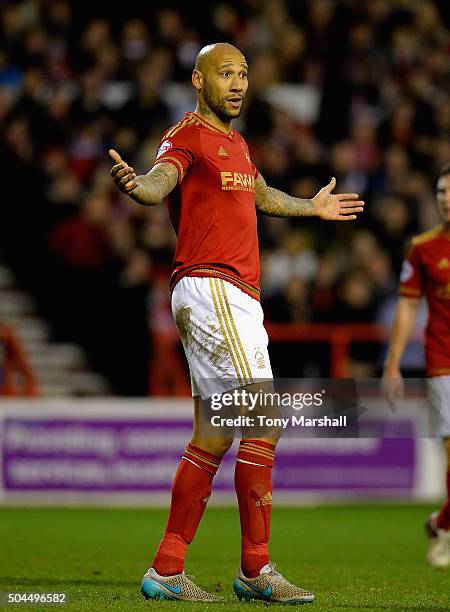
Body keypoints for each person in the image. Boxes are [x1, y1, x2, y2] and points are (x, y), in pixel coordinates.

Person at [110, 42, 364, 603]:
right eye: (227, 73)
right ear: (199, 81)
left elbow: (259, 193)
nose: (239, 83)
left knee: (216, 431)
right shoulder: (188, 136)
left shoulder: (237, 145)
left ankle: (167, 567)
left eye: (245, 73)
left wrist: (310, 207)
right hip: (212, 285)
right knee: (266, 417)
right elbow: (160, 179)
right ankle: (255, 568)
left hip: (234, 295)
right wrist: (141, 190)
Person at [382, 162, 450, 569]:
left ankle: (441, 523)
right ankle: (444, 535)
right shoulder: (423, 248)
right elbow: (407, 308)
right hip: (443, 365)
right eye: (441, 192)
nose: (446, 200)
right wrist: (392, 365)